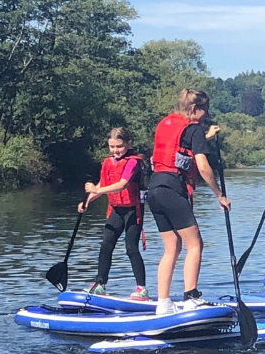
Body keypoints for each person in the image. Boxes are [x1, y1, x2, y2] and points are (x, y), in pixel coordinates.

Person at [145, 89, 229, 315]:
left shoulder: (165, 123)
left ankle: (163, 303)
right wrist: (219, 194)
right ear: (193, 109)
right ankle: (191, 297)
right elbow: (203, 167)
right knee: (195, 245)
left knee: (171, 248)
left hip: (154, 188)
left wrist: (206, 137)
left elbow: (179, 146)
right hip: (173, 189)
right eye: (204, 111)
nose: (205, 116)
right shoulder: (194, 129)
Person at [80, 127, 148, 299]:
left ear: (128, 144)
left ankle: (141, 288)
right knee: (106, 245)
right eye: (112, 147)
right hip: (116, 210)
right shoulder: (107, 162)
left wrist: (98, 189)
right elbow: (103, 184)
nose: (115, 151)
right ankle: (100, 284)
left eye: (119, 146)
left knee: (131, 248)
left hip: (133, 211)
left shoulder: (133, 162)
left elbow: (122, 184)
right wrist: (87, 202)